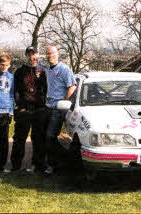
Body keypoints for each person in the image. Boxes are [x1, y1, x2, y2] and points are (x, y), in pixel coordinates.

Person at [11, 46, 48, 173]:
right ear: (26, 55)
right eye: (30, 54)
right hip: (24, 109)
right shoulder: (20, 71)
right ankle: (16, 165)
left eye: (35, 54)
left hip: (39, 109)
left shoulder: (43, 71)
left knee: (38, 138)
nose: (32, 57)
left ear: (38, 55)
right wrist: (19, 106)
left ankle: (37, 164)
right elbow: (15, 91)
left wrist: (43, 105)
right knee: (19, 138)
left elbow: (46, 90)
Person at [44, 45, 77, 175]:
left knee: (50, 136)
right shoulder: (47, 70)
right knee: (47, 137)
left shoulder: (64, 69)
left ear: (57, 54)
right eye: (48, 53)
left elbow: (72, 86)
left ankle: (56, 164)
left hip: (58, 108)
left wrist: (64, 101)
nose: (50, 56)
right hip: (48, 106)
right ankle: (55, 162)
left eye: (52, 53)